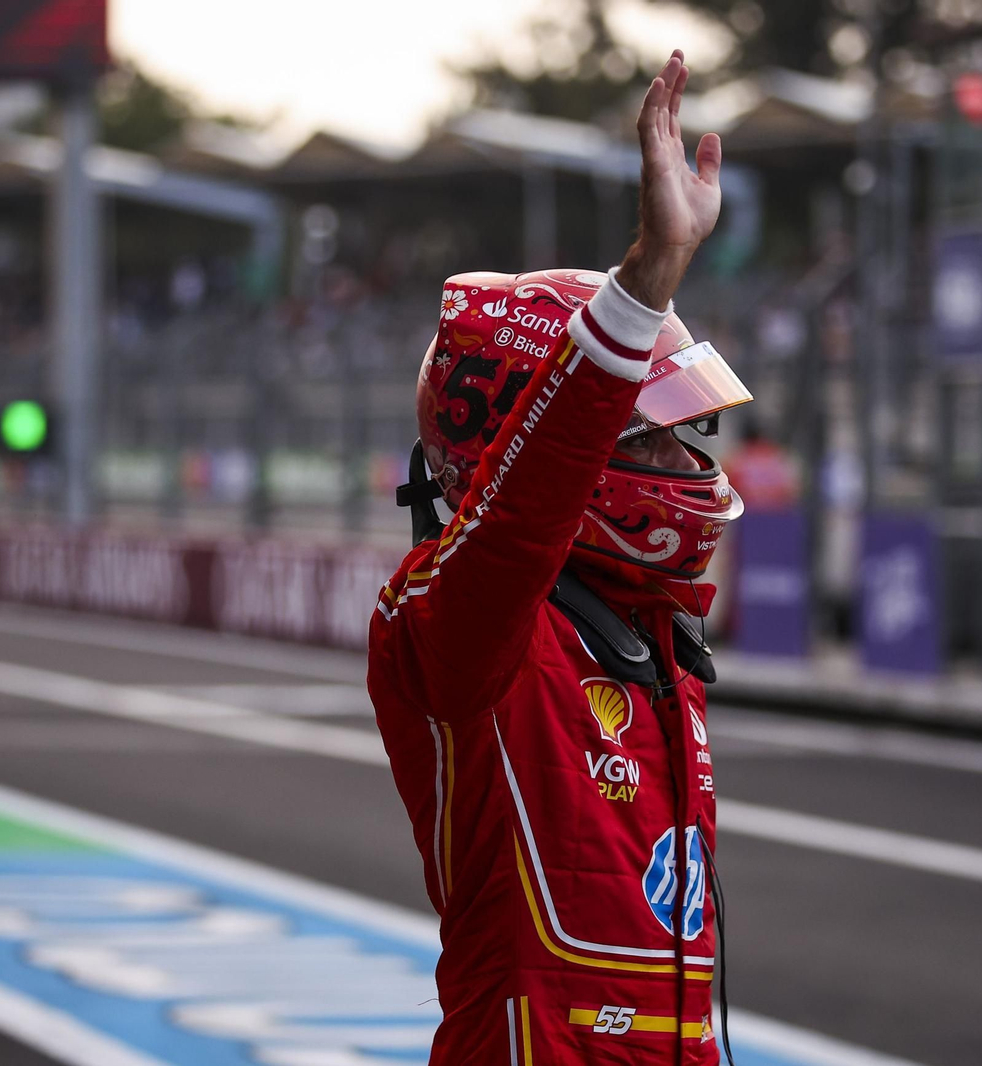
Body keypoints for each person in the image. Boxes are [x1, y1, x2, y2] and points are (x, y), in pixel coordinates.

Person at [369, 51, 752, 1065]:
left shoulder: (653, 637)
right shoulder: (450, 624)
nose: (683, 461)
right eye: (648, 436)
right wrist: (642, 284)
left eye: (685, 430)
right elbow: (520, 516)